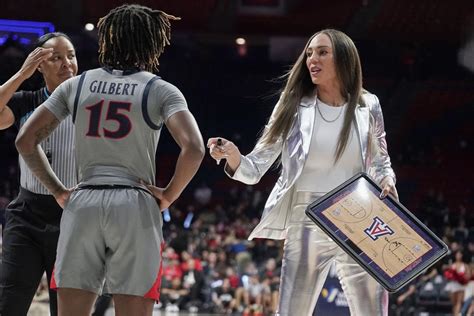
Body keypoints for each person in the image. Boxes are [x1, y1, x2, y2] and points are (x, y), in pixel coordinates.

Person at [15, 4, 204, 316]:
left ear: (108, 41)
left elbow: (25, 140)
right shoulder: (160, 89)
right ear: (150, 41)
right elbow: (194, 148)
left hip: (83, 201)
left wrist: (59, 190)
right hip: (135, 204)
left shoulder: (77, 84)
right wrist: (169, 195)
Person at [208, 28, 398, 315]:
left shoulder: (368, 104)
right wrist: (234, 157)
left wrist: (387, 179)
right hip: (309, 216)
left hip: (361, 217)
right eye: (309, 53)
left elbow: (381, 160)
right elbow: (255, 167)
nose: (312, 59)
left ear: (344, 58)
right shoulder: (294, 105)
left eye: (322, 52)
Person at [0, 32, 78, 316]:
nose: (66, 63)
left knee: (67, 310)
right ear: (39, 65)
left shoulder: (91, 107)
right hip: (27, 214)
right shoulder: (27, 101)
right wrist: (22, 74)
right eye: (55, 58)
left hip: (73, 216)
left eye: (70, 55)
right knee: (9, 304)